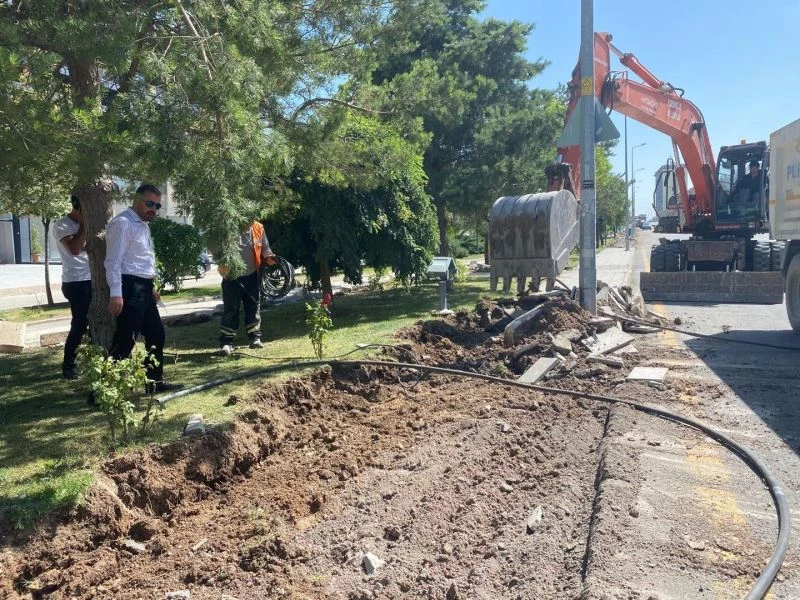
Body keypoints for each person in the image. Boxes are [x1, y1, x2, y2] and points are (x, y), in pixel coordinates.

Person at [105, 184, 179, 393]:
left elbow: (141, 259)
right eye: (149, 204)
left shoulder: (143, 225)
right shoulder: (122, 223)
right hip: (129, 288)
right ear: (136, 200)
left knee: (156, 335)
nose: (153, 209)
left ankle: (154, 383)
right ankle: (102, 391)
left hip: (144, 289)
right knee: (126, 340)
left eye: (157, 206)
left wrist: (150, 286)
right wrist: (116, 293)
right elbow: (113, 262)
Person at [218, 221, 276, 356]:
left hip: (252, 275)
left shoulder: (258, 228)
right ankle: (226, 343)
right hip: (231, 277)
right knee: (231, 309)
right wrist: (221, 264)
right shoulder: (228, 227)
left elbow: (265, 248)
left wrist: (269, 257)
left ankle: (255, 338)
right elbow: (216, 249)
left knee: (253, 306)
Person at [54, 195, 91, 380]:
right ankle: (68, 366)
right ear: (75, 208)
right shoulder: (62, 225)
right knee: (80, 324)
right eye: (81, 212)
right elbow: (75, 249)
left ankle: (95, 362)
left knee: (96, 323)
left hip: (92, 280)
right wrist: (84, 224)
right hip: (76, 282)